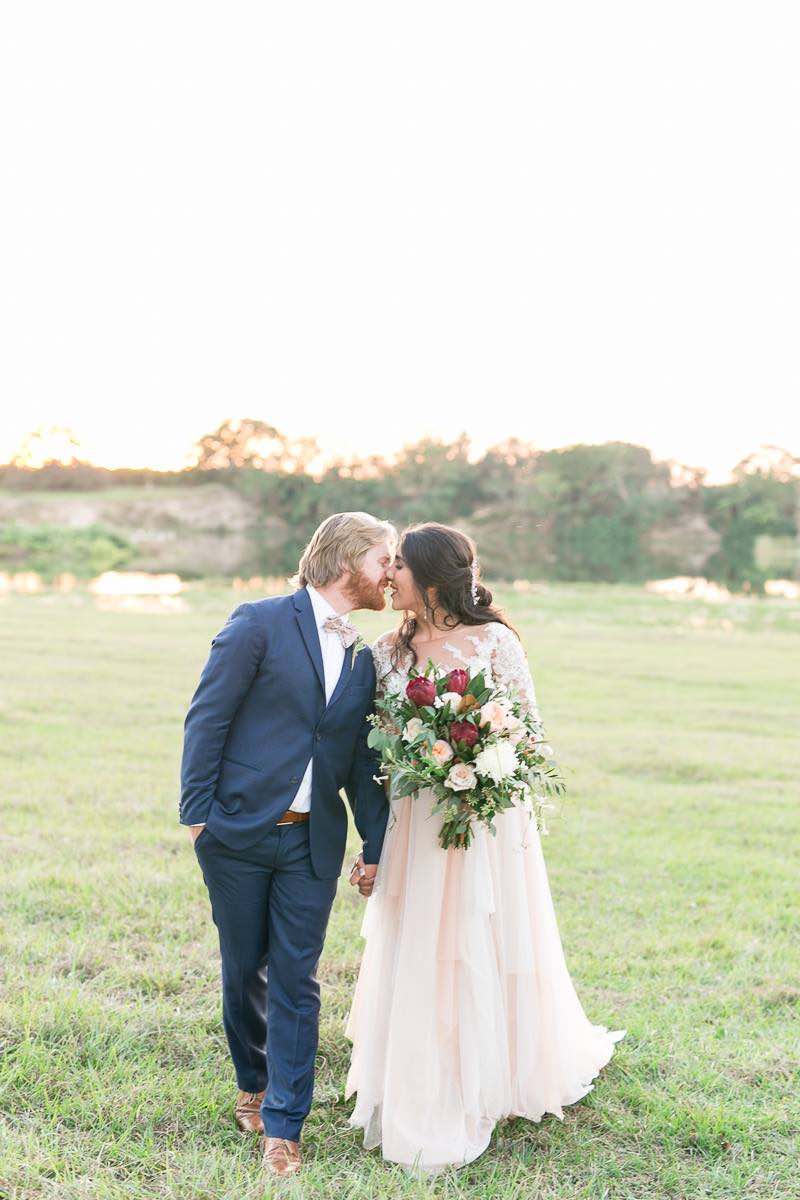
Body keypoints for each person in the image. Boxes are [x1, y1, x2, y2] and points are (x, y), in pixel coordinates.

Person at [345, 521, 625, 1172]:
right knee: (421, 938)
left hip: (485, 820)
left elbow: (528, 732)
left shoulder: (494, 640)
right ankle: (420, 1065)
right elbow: (377, 742)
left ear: (432, 577)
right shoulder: (387, 650)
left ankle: (493, 1071)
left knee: (482, 935)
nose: (389, 578)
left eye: (399, 569)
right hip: (416, 818)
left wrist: (481, 761)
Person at [180, 511, 395, 1180]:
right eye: (384, 560)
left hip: (312, 845)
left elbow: (360, 762)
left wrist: (377, 842)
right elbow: (207, 717)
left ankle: (284, 1125)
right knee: (244, 969)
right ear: (347, 563)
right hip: (237, 834)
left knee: (297, 980)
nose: (392, 573)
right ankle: (252, 1079)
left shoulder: (363, 656)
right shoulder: (259, 622)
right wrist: (198, 817)